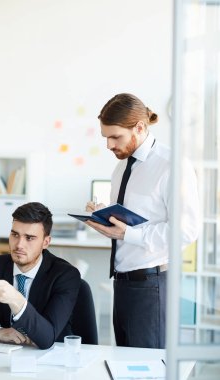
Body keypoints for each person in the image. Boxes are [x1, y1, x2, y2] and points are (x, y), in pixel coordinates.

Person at [86, 93, 200, 348]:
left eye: (116, 137)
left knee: (148, 369)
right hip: (123, 283)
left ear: (139, 127)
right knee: (125, 364)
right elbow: (135, 218)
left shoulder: (172, 165)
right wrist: (106, 216)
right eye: (106, 137)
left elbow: (186, 230)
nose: (109, 145)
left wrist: (126, 234)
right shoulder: (122, 166)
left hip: (151, 286)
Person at [0, 202, 81, 349]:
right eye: (15, 235)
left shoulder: (65, 275)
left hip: (54, 357)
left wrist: (15, 299)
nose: (19, 245)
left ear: (46, 242)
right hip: (9, 354)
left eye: (29, 238)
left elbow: (47, 338)